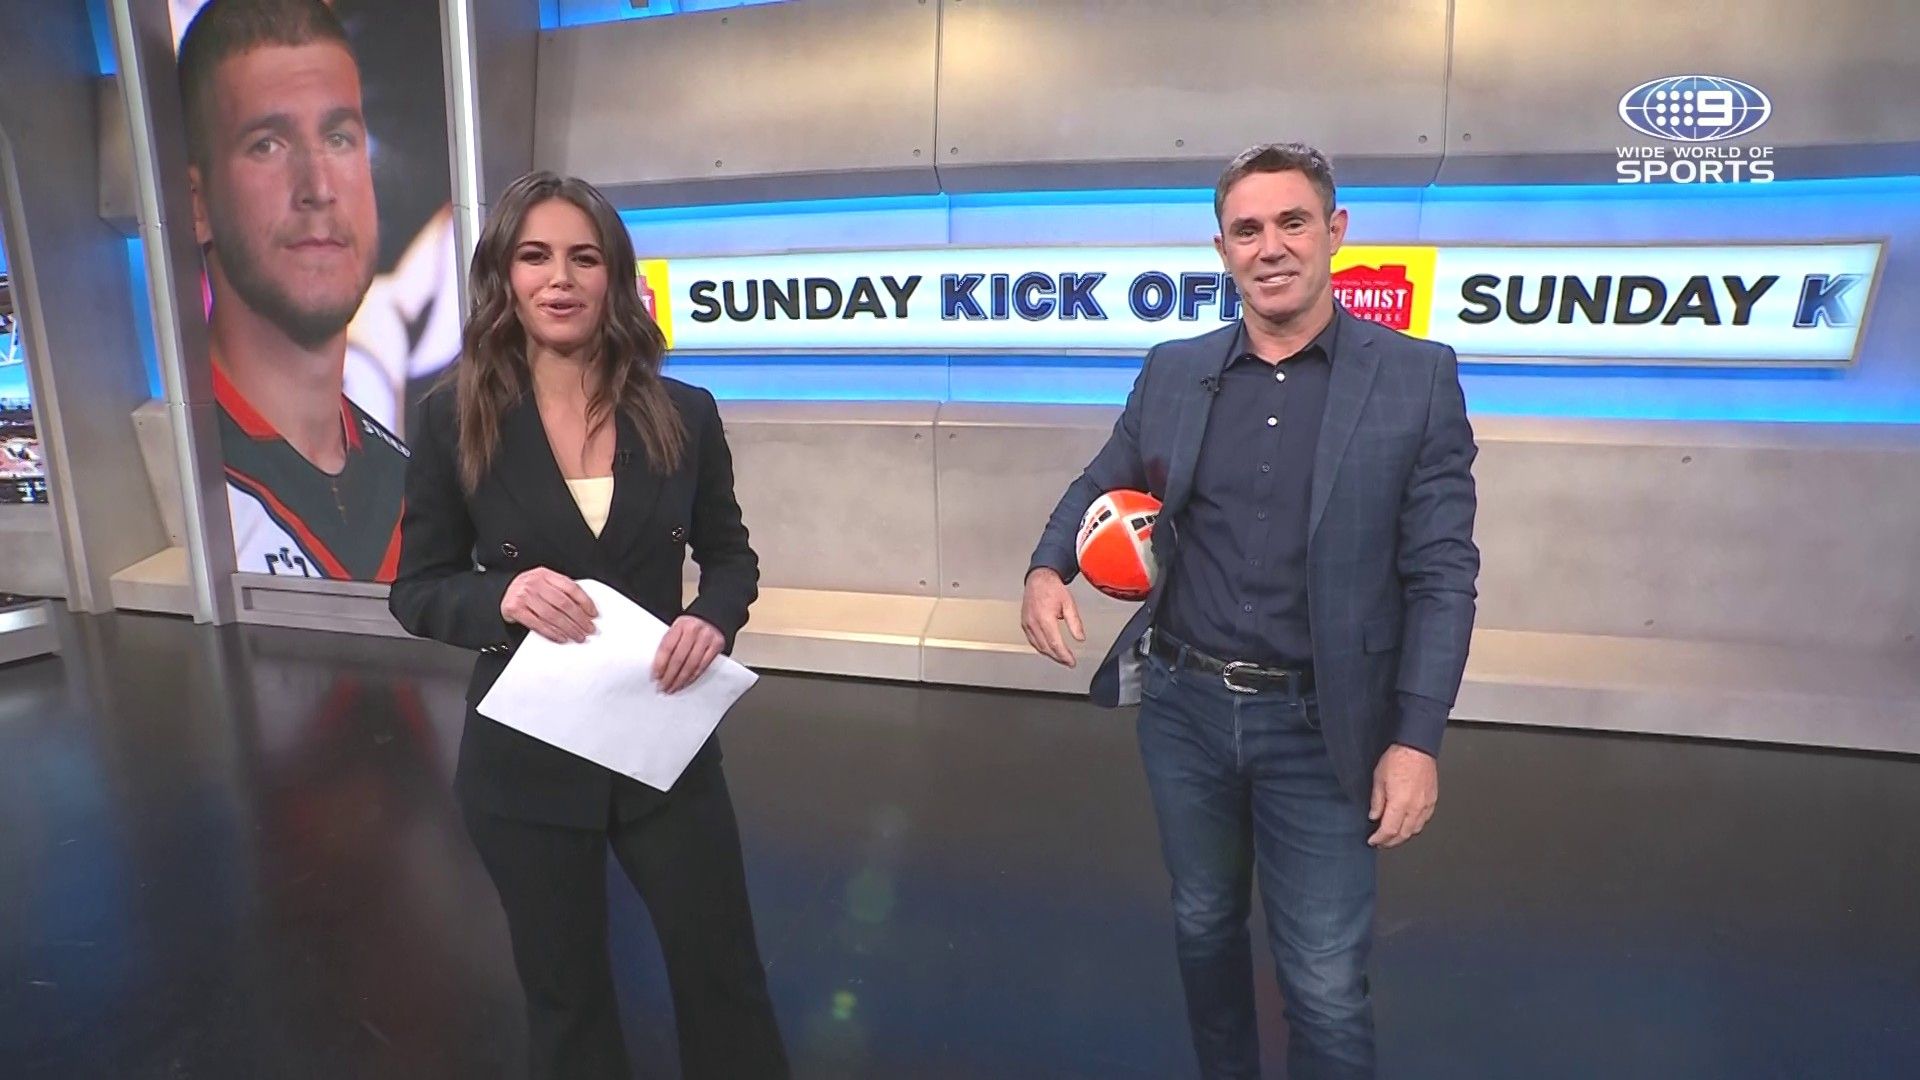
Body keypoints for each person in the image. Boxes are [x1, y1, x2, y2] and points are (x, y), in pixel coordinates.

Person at [1022, 143, 1480, 1079]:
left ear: (1334, 231)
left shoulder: (1416, 377)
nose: (1271, 246)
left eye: (1292, 222)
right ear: (1222, 249)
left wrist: (1416, 739)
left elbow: (1442, 574)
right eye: (1247, 229)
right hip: (1183, 711)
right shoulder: (1174, 369)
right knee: (1202, 924)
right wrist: (1045, 566)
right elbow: (1102, 479)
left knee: (1324, 978)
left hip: (1324, 725)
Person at [387, 171, 788, 1079]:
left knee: (723, 979)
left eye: (584, 258)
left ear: (616, 276)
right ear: (505, 275)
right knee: (566, 1000)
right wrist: (501, 598)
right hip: (524, 758)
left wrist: (712, 619)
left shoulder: (685, 413)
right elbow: (418, 590)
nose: (559, 279)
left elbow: (731, 558)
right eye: (535, 257)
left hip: (663, 742)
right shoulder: (453, 417)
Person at [178, 0, 417, 580]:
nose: (318, 187)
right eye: (268, 144)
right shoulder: (166, 482)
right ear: (197, 206)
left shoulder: (417, 488)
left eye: (338, 138)